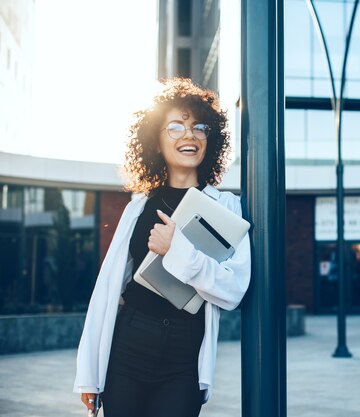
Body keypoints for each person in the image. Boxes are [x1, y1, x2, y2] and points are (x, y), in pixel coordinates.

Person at [73, 77, 251, 417]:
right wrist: (89, 376)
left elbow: (233, 290)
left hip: (184, 355)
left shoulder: (225, 208)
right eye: (176, 127)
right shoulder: (139, 206)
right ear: (155, 140)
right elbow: (108, 291)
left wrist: (177, 250)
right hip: (128, 344)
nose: (190, 135)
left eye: (200, 127)